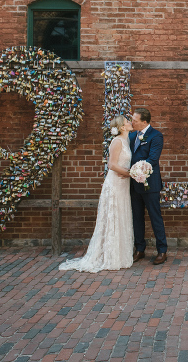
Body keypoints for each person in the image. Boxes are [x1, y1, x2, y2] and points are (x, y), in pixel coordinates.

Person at [59, 115, 134, 272]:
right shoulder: (117, 141)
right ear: (122, 127)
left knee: (121, 215)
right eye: (127, 121)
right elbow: (112, 165)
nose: (130, 122)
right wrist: (131, 173)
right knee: (112, 216)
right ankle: (109, 256)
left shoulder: (126, 140)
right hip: (115, 183)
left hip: (123, 184)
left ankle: (120, 254)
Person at [129, 107, 168, 265]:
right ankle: (140, 249)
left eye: (135, 120)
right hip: (133, 184)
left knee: (155, 216)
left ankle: (162, 250)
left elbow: (152, 159)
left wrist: (136, 170)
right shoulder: (131, 136)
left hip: (149, 184)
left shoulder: (156, 135)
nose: (132, 122)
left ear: (144, 122)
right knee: (137, 217)